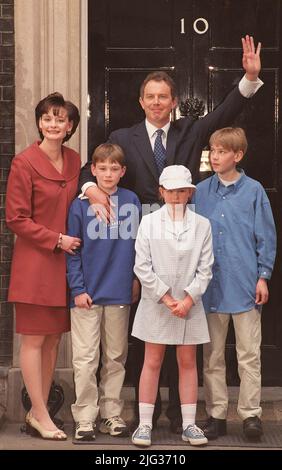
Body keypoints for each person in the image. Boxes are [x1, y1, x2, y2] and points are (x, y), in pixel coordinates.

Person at [79, 35, 263, 433]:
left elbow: (225, 113)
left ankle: (183, 413)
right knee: (146, 327)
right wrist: (91, 188)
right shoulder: (122, 137)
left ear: (174, 100)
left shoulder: (188, 132)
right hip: (138, 238)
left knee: (182, 327)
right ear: (141, 101)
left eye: (164, 96)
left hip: (184, 239)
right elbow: (91, 167)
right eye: (151, 96)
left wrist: (248, 79)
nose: (158, 102)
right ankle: (144, 411)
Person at [6, 92, 81, 440]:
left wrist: (92, 189)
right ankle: (39, 413)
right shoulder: (24, 162)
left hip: (64, 266)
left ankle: (41, 411)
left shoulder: (74, 160)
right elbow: (15, 218)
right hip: (36, 263)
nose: (53, 125)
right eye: (47, 119)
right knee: (34, 341)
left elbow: (81, 194)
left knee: (52, 340)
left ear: (70, 127)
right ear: (39, 123)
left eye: (60, 120)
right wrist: (56, 239)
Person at [193, 127, 276, 440]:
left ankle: (251, 415)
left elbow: (265, 237)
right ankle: (216, 414)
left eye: (222, 151)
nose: (215, 156)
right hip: (210, 288)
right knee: (212, 356)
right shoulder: (200, 192)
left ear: (237, 155)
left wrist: (263, 277)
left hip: (245, 285)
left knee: (248, 354)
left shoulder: (254, 191)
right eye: (212, 150)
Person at [131, 165, 213, 447]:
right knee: (151, 361)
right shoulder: (148, 222)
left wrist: (188, 299)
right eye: (171, 190)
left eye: (182, 191)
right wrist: (166, 298)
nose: (177, 196)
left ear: (190, 193)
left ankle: (189, 424)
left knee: (188, 362)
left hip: (189, 305)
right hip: (158, 304)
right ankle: (144, 425)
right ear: (161, 192)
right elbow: (142, 266)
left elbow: (206, 269)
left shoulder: (203, 225)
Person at [66, 143, 141, 441]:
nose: (108, 174)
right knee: (85, 359)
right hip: (87, 296)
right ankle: (85, 417)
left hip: (120, 292)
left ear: (122, 172)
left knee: (115, 358)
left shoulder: (132, 201)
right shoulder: (79, 205)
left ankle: (111, 414)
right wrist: (77, 288)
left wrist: (135, 279)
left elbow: (138, 246)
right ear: (93, 170)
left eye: (114, 168)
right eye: (102, 168)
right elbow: (72, 251)